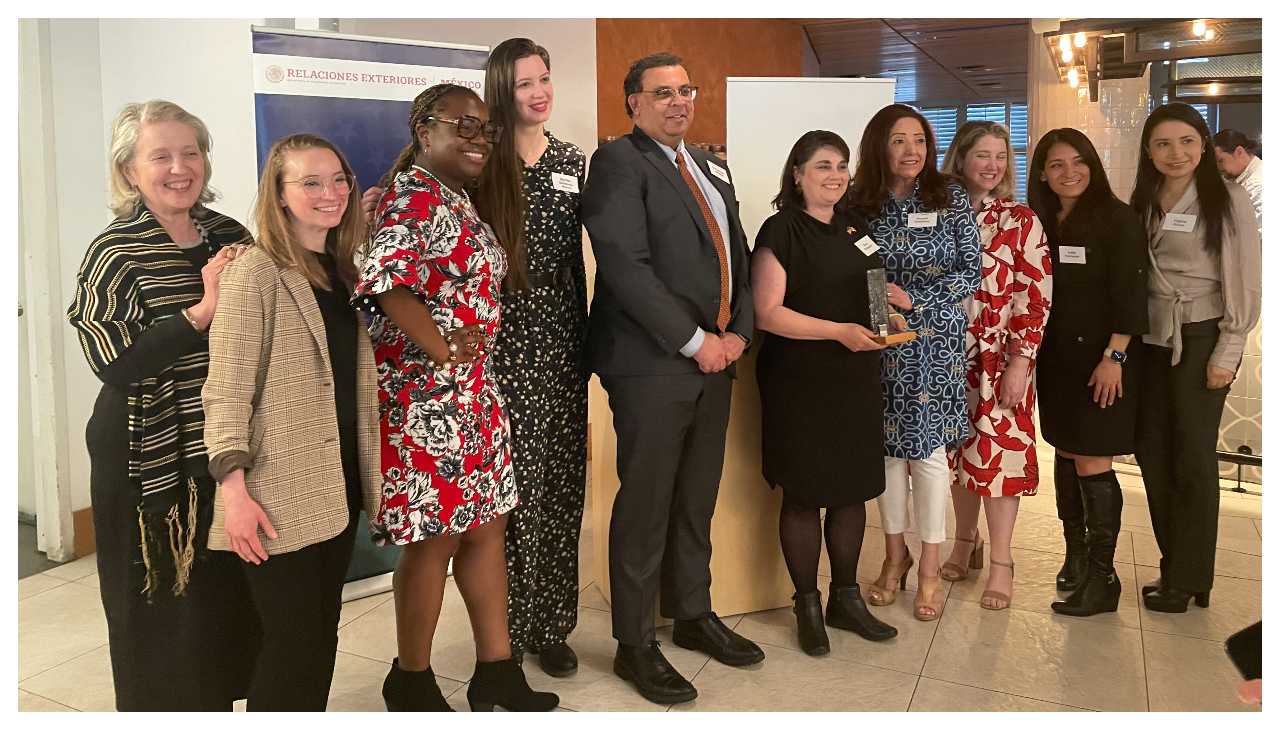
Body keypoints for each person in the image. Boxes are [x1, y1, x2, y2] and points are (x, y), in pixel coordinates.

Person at [353, 83, 557, 712]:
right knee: (435, 543)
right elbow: (386, 284)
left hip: (472, 398)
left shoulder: (455, 198)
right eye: (461, 125)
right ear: (423, 128)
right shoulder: (413, 196)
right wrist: (441, 346)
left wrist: (461, 359)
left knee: (486, 531)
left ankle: (495, 670)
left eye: (485, 128)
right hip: (423, 405)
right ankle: (410, 677)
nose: (477, 137)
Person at [582, 52, 763, 705]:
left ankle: (692, 612)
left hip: (717, 359)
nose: (678, 101)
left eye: (686, 89)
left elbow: (736, 256)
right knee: (647, 502)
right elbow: (625, 266)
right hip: (653, 362)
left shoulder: (711, 163)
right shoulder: (617, 163)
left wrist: (738, 334)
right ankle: (635, 644)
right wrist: (694, 342)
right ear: (633, 102)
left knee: (695, 496)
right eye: (662, 93)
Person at [66, 100, 253, 711]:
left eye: (190, 152)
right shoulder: (112, 253)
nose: (180, 168)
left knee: (221, 599)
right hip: (144, 452)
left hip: (222, 446)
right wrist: (202, 310)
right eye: (161, 156)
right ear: (128, 171)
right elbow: (115, 363)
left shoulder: (231, 236)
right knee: (155, 596)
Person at [199, 134, 379, 710]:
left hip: (338, 480)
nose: (330, 194)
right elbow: (226, 387)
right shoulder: (256, 272)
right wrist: (234, 492)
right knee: (290, 641)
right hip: (278, 489)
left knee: (320, 631)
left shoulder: (342, 267)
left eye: (338, 180)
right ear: (278, 195)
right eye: (310, 182)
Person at [751, 131, 898, 655]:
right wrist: (839, 330)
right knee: (805, 492)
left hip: (856, 377)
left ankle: (847, 598)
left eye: (841, 165)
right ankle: (807, 603)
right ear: (797, 173)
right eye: (821, 166)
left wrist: (888, 310)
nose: (834, 175)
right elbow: (768, 313)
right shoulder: (780, 230)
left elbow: (873, 286)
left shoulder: (857, 227)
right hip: (801, 379)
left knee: (853, 488)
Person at [476, 38, 589, 677]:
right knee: (512, 492)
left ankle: (552, 623)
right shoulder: (481, 159)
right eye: (524, 84)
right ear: (502, 90)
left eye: (544, 79)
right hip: (502, 339)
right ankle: (508, 628)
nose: (539, 92)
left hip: (562, 337)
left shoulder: (571, 159)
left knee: (562, 484)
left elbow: (577, 259)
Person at [850, 104, 981, 622]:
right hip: (881, 342)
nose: (911, 151)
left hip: (937, 344)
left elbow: (969, 269)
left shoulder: (948, 197)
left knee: (927, 460)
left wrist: (917, 306)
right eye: (899, 140)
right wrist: (887, 315)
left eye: (919, 140)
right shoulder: (861, 203)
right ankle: (893, 557)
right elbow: (859, 270)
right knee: (885, 456)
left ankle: (928, 569)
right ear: (879, 146)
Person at [1131, 103, 1261, 613]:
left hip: (1203, 337)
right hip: (1150, 341)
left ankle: (1188, 578)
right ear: (1149, 151)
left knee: (1192, 456)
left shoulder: (1226, 200)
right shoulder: (1144, 201)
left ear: (1204, 145)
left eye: (1186, 141)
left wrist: (1229, 351)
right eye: (1163, 143)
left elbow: (1245, 282)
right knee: (1151, 449)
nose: (1176, 153)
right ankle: (1178, 566)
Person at [1027, 128, 1149, 618]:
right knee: (1066, 450)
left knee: (1094, 459)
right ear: (1042, 173)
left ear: (1093, 165)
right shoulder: (1040, 221)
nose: (1068, 172)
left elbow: (1132, 293)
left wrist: (1114, 357)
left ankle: (1104, 577)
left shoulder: (1117, 219)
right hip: (1056, 360)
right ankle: (1075, 556)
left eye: (1078, 162)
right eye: (1056, 164)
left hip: (1103, 362)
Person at [938, 121, 1052, 611]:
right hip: (941, 356)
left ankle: (1002, 560)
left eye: (1000, 156)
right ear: (960, 158)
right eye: (981, 154)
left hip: (999, 359)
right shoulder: (934, 212)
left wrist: (1021, 361)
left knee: (997, 459)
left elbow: (1035, 295)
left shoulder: (1021, 219)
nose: (992, 165)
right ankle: (965, 540)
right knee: (959, 456)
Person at [1212, 129, 1262, 225]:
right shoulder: (1239, 176)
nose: (1217, 166)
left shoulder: (1258, 185)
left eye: (1220, 160)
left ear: (1239, 151)